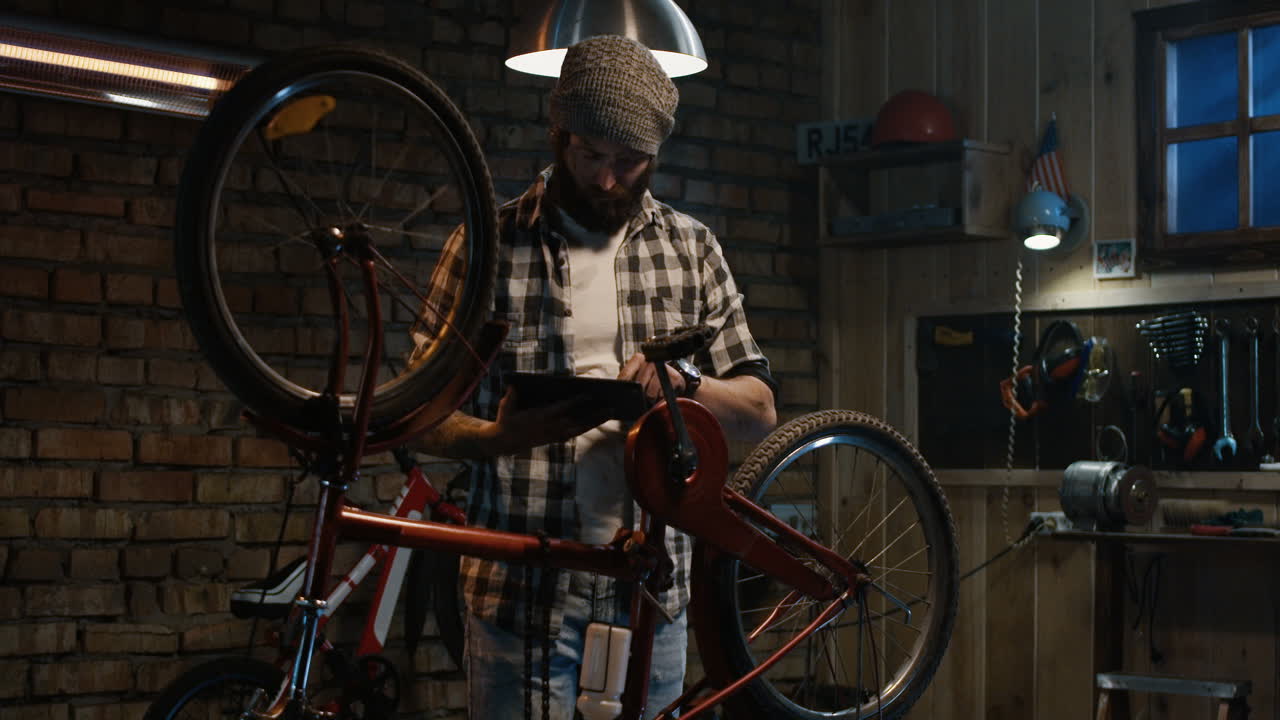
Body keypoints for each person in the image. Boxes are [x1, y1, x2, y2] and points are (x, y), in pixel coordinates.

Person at [413, 34, 777, 720]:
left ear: (656, 155)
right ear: (558, 134)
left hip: (648, 593)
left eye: (630, 162)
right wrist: (496, 438)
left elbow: (759, 410)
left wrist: (687, 387)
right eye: (590, 156)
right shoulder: (488, 244)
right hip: (520, 593)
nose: (608, 179)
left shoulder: (692, 249)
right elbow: (417, 412)